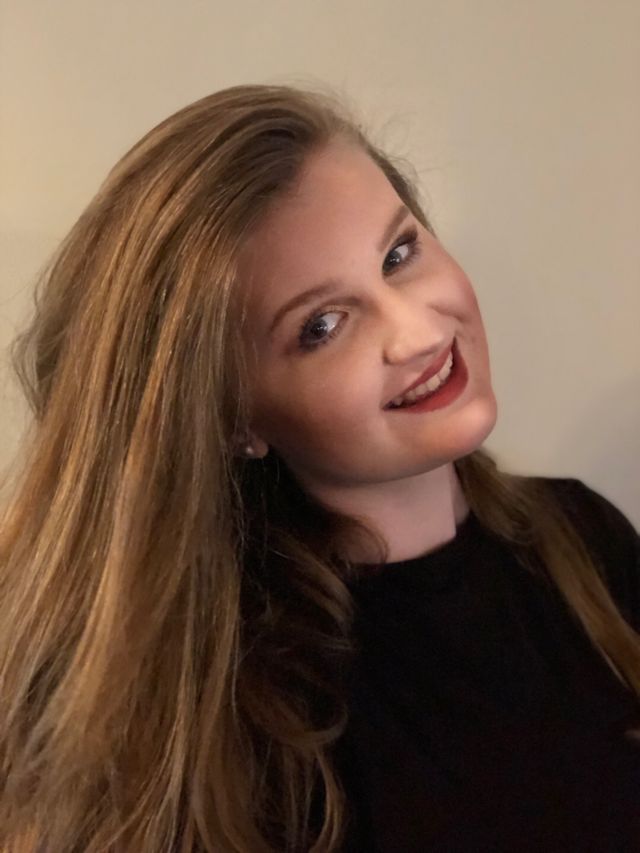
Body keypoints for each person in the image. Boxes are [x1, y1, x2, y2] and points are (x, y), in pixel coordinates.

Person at [0, 83, 638, 852]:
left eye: (398, 254)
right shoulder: (231, 719)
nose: (416, 332)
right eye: (322, 325)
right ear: (235, 419)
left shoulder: (582, 537)